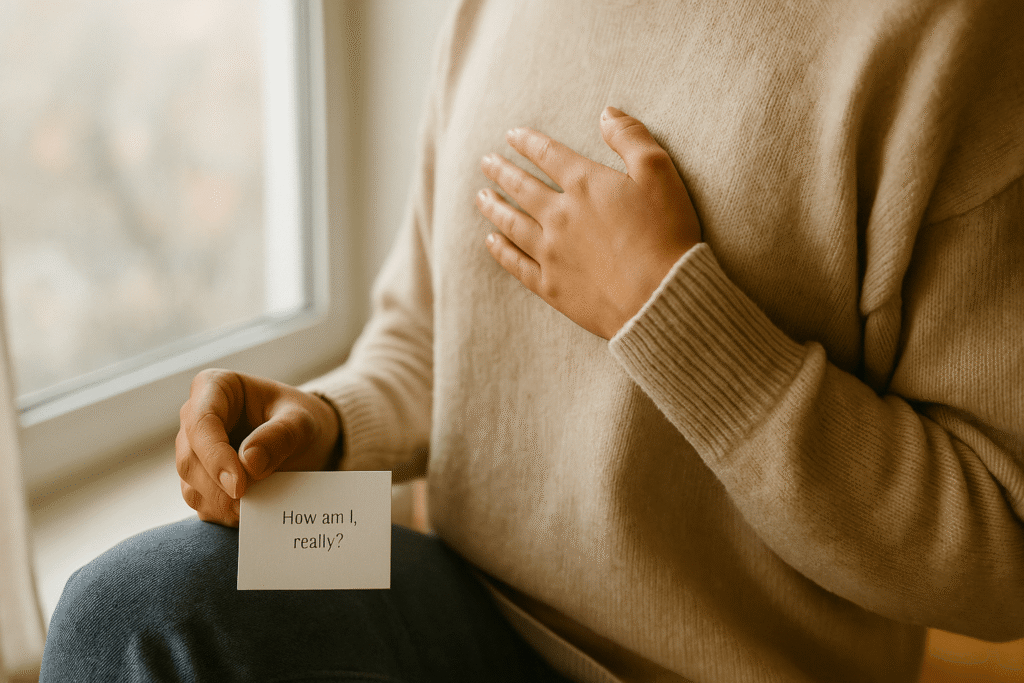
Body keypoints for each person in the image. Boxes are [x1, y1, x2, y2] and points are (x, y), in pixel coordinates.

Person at [41, 0, 1024, 681]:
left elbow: (999, 553)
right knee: (121, 608)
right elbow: (425, 336)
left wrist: (669, 315)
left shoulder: (956, 40)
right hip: (457, 593)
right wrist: (325, 421)